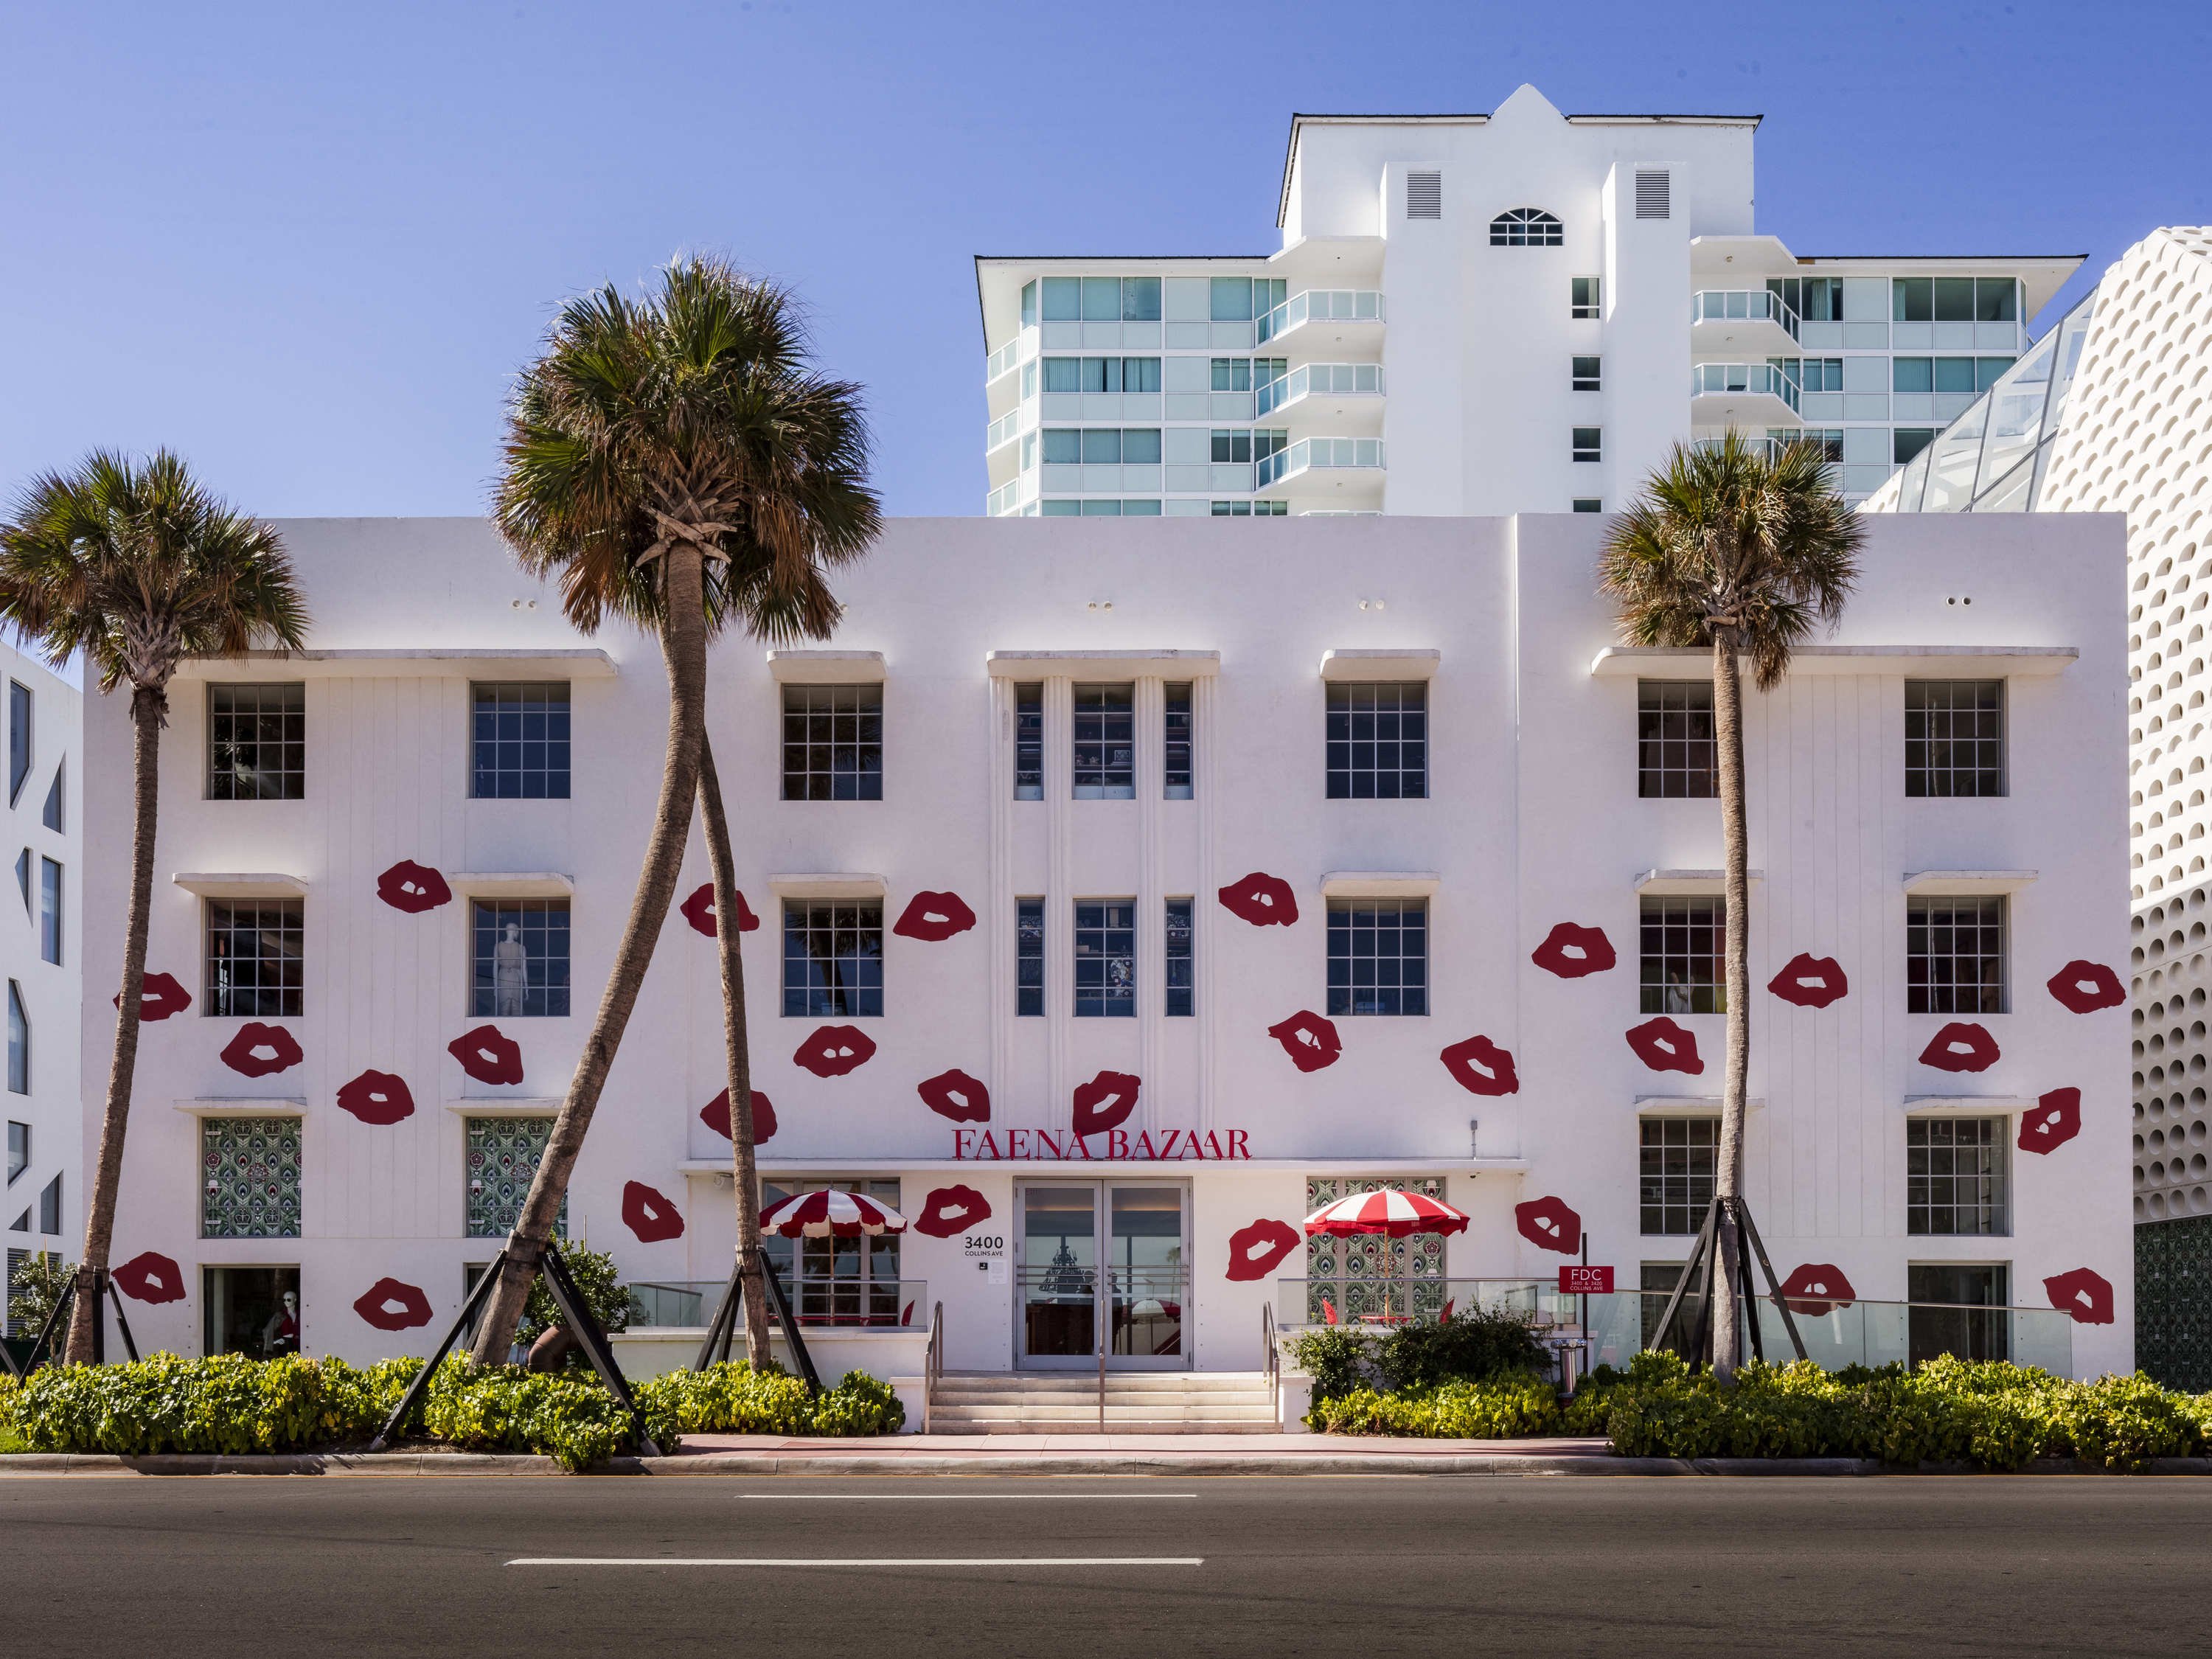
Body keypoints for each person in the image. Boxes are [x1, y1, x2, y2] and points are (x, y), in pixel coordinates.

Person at [494, 922, 529, 1017]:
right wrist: (495, 987)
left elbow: (524, 969)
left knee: (514, 1008)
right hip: (506, 978)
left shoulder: (521, 947)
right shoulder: (498, 946)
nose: (511, 932)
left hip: (514, 978)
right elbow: (494, 967)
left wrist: (526, 988)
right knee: (506, 1008)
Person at [261, 1288, 299, 1356]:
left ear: (295, 1300)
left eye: (289, 1300)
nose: (286, 1302)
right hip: (285, 1345)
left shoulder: (300, 1315)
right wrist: (274, 1341)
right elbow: (268, 1330)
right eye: (284, 1300)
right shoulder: (280, 1315)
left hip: (299, 1344)